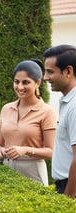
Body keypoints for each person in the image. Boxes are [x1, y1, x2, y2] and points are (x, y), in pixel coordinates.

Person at [0, 59, 56, 186]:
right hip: (6, 171)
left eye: (26, 82)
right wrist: (0, 151)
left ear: (37, 83)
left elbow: (52, 151)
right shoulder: (6, 109)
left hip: (33, 172)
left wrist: (26, 150)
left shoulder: (47, 112)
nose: (20, 87)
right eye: (16, 82)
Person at [43, 44, 76, 196]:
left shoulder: (74, 105)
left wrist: (68, 198)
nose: (45, 78)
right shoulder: (67, 101)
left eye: (50, 72)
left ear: (68, 71)